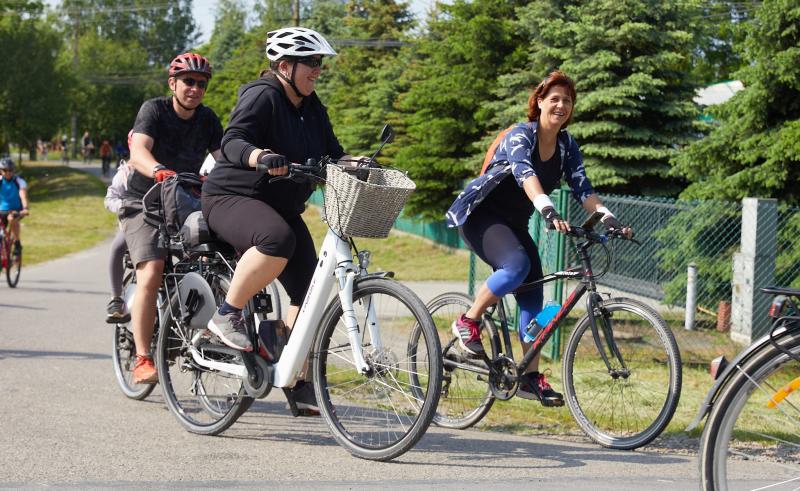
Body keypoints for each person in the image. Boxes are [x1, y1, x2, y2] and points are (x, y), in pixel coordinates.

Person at [201, 27, 366, 413]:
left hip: (281, 206)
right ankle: (226, 315)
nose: (317, 70)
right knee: (277, 239)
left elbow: (333, 153)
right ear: (285, 65)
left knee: (310, 289)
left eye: (319, 62)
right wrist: (260, 156)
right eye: (311, 62)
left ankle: (294, 375)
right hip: (232, 198)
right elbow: (233, 141)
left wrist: (358, 163)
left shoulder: (312, 106)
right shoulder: (263, 95)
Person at [445, 70, 633, 407]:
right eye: (554, 99)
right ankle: (467, 320)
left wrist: (608, 218)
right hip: (482, 217)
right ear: (540, 102)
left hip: (514, 224)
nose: (561, 105)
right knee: (517, 266)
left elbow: (583, 188)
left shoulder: (566, 145)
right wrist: (547, 209)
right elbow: (524, 173)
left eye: (567, 101)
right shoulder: (521, 135)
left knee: (533, 296)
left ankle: (529, 377)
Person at [122, 52, 222, 384]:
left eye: (201, 84)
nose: (195, 88)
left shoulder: (208, 119)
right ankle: (142, 358)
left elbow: (224, 159)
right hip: (144, 202)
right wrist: (158, 170)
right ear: (173, 84)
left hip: (185, 202)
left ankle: (206, 334)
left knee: (216, 260)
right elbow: (139, 150)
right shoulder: (154, 110)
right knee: (152, 270)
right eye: (188, 81)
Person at [104, 155, 133, 323]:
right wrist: (124, 206)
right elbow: (110, 199)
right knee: (117, 247)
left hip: (164, 224)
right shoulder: (126, 173)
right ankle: (116, 298)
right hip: (132, 222)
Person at [0, 158, 30, 254]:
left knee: (11, 218)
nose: (8, 173)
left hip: (16, 209)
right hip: (1, 210)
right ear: (1, 171)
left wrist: (25, 208)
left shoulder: (19, 181)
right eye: (5, 170)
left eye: (10, 170)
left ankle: (17, 243)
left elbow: (23, 196)